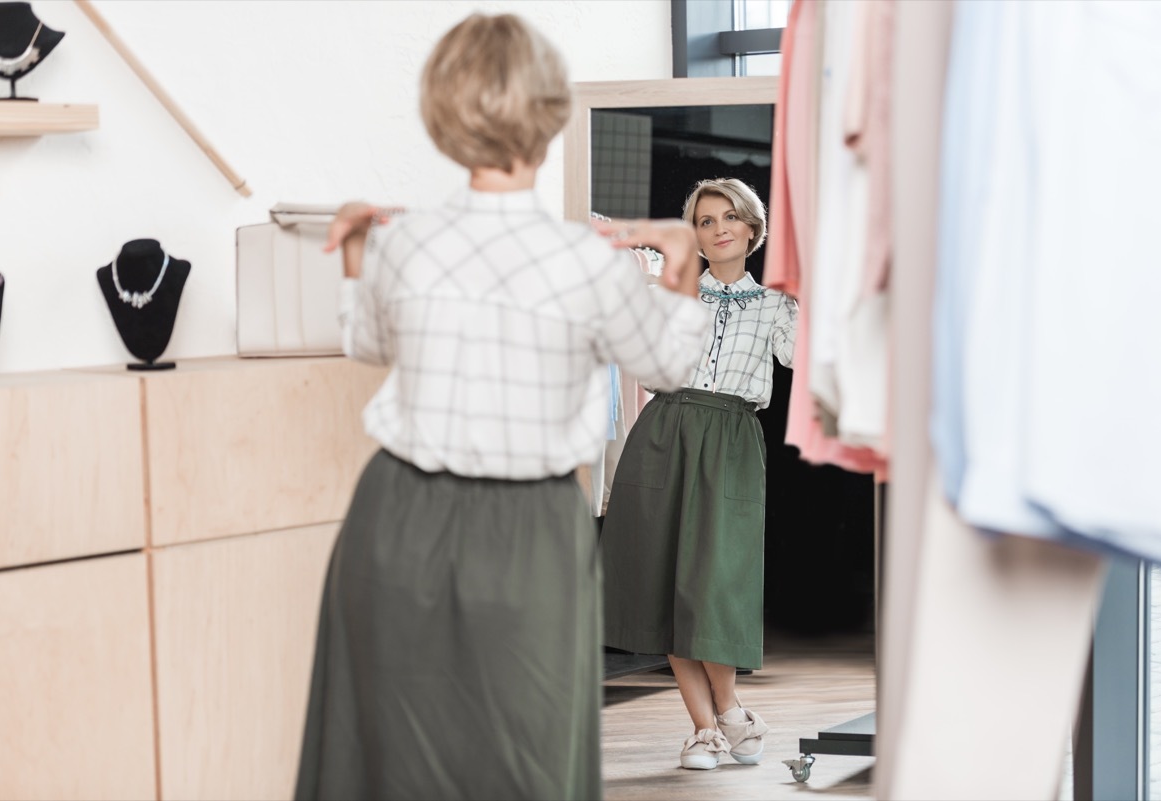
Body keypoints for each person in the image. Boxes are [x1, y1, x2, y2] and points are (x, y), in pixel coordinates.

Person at [293, 13, 710, 801]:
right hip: (529, 534)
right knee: (526, 757)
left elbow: (368, 343)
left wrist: (355, 257)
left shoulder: (403, 244)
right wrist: (680, 261)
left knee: (386, 755)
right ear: (550, 116)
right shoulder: (589, 263)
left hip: (395, 518)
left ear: (441, 115)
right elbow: (671, 363)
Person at [600, 177, 799, 770]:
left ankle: (732, 709)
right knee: (667, 580)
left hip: (732, 437)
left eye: (730, 218)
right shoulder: (673, 291)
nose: (719, 229)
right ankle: (706, 729)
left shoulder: (776, 303)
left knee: (716, 582)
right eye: (707, 221)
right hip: (664, 428)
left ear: (752, 228)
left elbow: (799, 356)